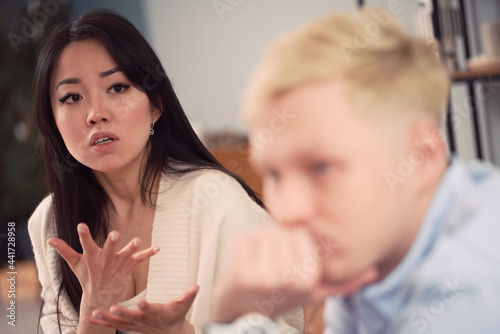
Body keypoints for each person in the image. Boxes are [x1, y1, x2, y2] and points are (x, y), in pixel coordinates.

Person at [208, 7, 500, 334]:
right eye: (273, 174)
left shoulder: (470, 283)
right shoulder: (375, 246)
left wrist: (231, 323)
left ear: (422, 157)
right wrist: (232, 313)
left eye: (321, 168)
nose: (288, 212)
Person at [28, 9, 303, 334]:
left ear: (156, 105)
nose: (95, 114)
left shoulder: (220, 204)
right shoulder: (51, 221)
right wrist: (94, 313)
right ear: (52, 121)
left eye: (116, 88)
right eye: (72, 97)